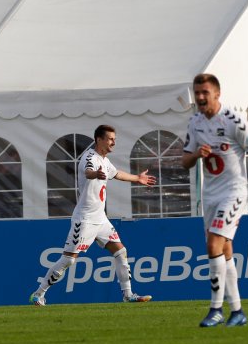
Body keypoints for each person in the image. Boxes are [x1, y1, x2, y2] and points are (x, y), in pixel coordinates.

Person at [30, 124, 157, 306]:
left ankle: (128, 295)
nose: (114, 142)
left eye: (114, 139)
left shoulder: (104, 160)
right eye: (110, 139)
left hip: (101, 219)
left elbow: (116, 173)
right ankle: (38, 293)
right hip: (85, 219)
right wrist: (95, 174)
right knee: (68, 260)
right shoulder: (90, 157)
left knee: (121, 251)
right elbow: (88, 171)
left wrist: (137, 178)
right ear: (99, 139)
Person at [182, 73, 248, 327]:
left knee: (213, 246)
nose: (200, 97)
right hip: (209, 195)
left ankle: (215, 309)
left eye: (205, 93)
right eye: (197, 92)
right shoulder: (195, 123)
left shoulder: (234, 121)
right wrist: (198, 154)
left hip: (233, 192)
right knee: (225, 251)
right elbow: (184, 161)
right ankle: (238, 311)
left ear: (217, 94)